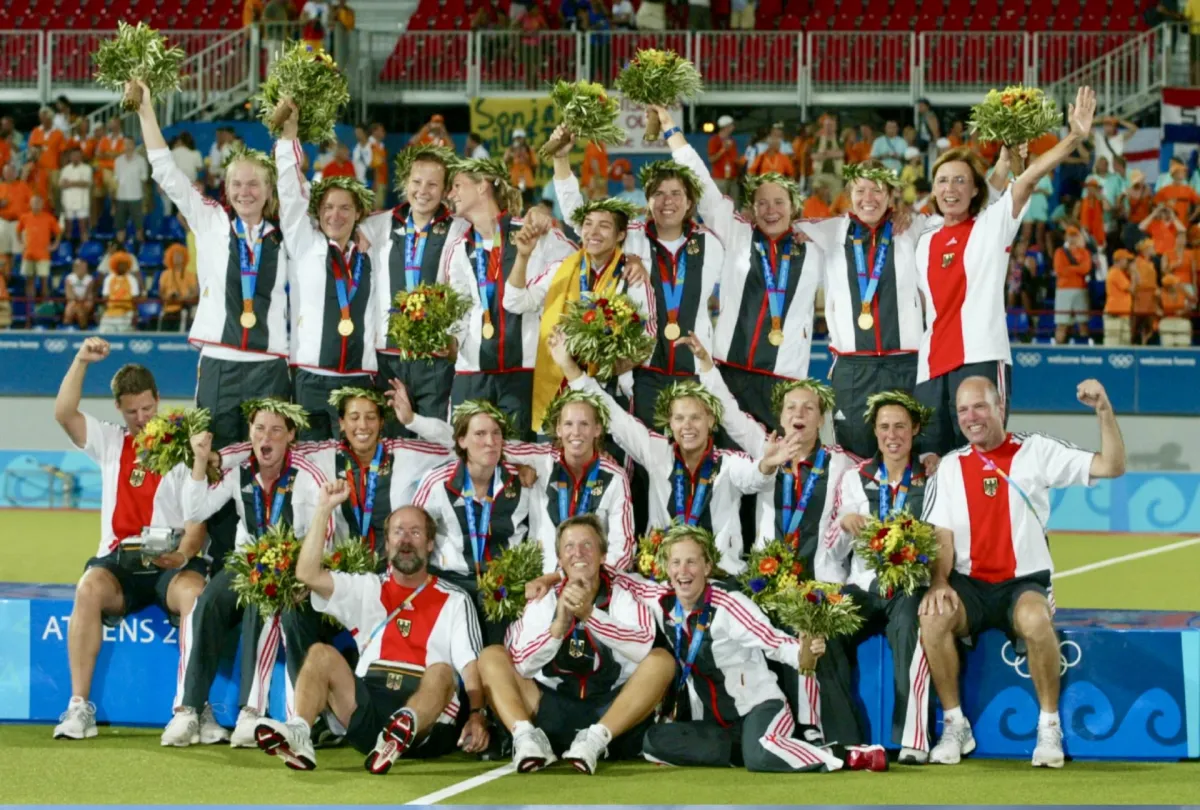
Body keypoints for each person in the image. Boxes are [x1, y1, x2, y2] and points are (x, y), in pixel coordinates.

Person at [919, 376, 1126, 768]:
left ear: (1000, 407)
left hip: (1023, 583)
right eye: (962, 410)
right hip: (969, 585)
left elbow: (1112, 466)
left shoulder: (1036, 450)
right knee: (933, 617)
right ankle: (954, 724)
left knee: (1034, 621)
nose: (971, 417)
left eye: (979, 406)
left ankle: (1049, 727)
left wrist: (1103, 410)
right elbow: (941, 537)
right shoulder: (948, 468)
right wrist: (940, 583)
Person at [914, 86, 1097, 457]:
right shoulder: (923, 235)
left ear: (975, 191)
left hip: (980, 356)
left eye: (961, 180)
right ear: (932, 191)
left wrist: (1073, 137)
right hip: (930, 367)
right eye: (943, 181)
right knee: (932, 467)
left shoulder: (991, 225)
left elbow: (1026, 178)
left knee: (982, 461)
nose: (951, 188)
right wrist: (1002, 157)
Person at [253, 486, 489, 773]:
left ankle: (404, 728)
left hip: (430, 719)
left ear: (429, 544)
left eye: (415, 532)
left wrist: (477, 714)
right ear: (387, 543)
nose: (406, 540)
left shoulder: (455, 599)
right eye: (398, 532)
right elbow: (307, 574)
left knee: (441, 670)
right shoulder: (368, 588)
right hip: (370, 706)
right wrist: (323, 509)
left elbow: (469, 666)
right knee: (319, 654)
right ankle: (300, 732)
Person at [51, 338, 211, 741]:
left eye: (147, 408)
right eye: (132, 411)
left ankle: (192, 706)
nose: (142, 418)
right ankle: (77, 707)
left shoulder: (183, 449)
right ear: (119, 410)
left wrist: (183, 554)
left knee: (194, 595)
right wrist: (80, 359)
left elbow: (197, 521)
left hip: (170, 562)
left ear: (159, 400)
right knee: (88, 588)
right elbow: (64, 413)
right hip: (120, 563)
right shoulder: (110, 441)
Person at [166, 398, 330, 747]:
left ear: (290, 435)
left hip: (294, 569)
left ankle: (250, 711)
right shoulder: (238, 470)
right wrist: (198, 460)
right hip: (247, 562)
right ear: (250, 434)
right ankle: (188, 709)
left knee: (263, 600)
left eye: (275, 430)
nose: (266, 438)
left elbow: (328, 531)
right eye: (259, 429)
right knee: (207, 601)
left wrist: (307, 573)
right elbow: (195, 509)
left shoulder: (309, 475)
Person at [137, 81, 292, 449]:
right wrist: (146, 110)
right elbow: (166, 172)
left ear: (269, 190)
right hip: (219, 361)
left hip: (270, 365)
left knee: (270, 465)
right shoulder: (210, 221)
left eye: (254, 184)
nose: (244, 191)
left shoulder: (290, 235)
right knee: (215, 461)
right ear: (226, 188)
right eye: (236, 183)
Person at [614, 525, 843, 773]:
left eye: (691, 562)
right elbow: (623, 580)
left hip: (759, 708)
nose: (683, 571)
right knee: (654, 740)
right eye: (676, 562)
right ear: (667, 568)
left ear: (707, 566)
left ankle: (834, 754)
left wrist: (803, 652)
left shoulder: (729, 604)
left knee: (761, 758)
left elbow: (772, 640)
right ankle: (748, 750)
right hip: (718, 724)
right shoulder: (661, 599)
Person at [551, 331, 783, 576]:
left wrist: (767, 464)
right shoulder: (657, 453)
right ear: (669, 423)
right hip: (661, 578)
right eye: (680, 418)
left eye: (695, 418)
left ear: (711, 421)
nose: (688, 426)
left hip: (718, 578)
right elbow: (615, 417)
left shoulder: (728, 463)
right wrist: (568, 366)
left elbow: (755, 477)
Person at [659, 108, 824, 429]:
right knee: (729, 465)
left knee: (780, 467)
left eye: (779, 202)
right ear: (751, 207)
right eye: (762, 202)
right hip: (730, 373)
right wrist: (670, 130)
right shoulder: (737, 233)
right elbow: (702, 185)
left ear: (794, 206)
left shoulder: (816, 245)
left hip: (784, 380)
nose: (770, 210)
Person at [476, 515, 675, 774]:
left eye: (587, 545)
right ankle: (528, 740)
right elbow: (522, 664)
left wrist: (590, 615)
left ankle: (594, 741)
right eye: (569, 547)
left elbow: (642, 644)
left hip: (609, 712)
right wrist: (558, 626)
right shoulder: (543, 598)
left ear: (603, 555)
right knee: (492, 656)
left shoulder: (623, 594)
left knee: (662, 660)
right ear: (559, 559)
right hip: (550, 708)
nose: (578, 553)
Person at [554, 139, 725, 429]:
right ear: (647, 200)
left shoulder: (711, 242)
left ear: (689, 201)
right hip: (644, 373)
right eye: (658, 193)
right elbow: (579, 218)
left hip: (696, 367)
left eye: (675, 194)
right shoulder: (632, 236)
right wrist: (560, 161)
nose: (666, 201)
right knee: (646, 460)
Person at [396, 383, 634, 571]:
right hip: (543, 581)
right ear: (558, 430)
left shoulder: (615, 477)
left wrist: (594, 579)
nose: (576, 432)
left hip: (594, 578)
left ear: (598, 429)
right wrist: (413, 421)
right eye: (569, 424)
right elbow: (479, 444)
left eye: (585, 424)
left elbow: (623, 549)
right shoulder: (540, 459)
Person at [817, 391, 935, 764]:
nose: (892, 434)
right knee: (828, 628)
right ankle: (846, 738)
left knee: (909, 629)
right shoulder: (855, 478)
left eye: (900, 426)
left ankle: (913, 740)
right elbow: (831, 551)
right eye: (884, 427)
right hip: (864, 588)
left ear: (915, 429)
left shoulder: (932, 477)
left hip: (908, 588)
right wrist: (845, 526)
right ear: (875, 432)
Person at [443, 156, 574, 440]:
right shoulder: (460, 247)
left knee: (519, 465)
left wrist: (540, 294)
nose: (450, 193)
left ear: (482, 188)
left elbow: (578, 260)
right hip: (472, 373)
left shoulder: (528, 231)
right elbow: (459, 309)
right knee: (471, 462)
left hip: (523, 372)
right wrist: (450, 340)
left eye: (456, 185)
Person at [276, 100, 381, 441]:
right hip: (311, 375)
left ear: (358, 214)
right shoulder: (305, 244)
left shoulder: (372, 251)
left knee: (357, 467)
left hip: (359, 378)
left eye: (345, 208)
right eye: (329, 208)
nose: (336, 215)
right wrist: (288, 136)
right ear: (318, 212)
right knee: (311, 468)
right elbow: (290, 194)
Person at [357, 144, 466, 440]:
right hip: (388, 356)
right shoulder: (378, 225)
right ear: (406, 182)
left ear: (445, 189)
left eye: (433, 184)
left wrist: (455, 338)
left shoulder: (459, 230)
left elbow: (464, 290)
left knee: (434, 441)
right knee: (392, 444)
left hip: (433, 357)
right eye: (417, 182)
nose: (423, 191)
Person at [411, 400, 535, 642]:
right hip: (452, 580)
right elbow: (412, 532)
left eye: (496, 433)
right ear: (461, 440)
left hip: (504, 584)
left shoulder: (523, 481)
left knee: (498, 654)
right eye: (479, 434)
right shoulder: (437, 482)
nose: (490, 442)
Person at [16, 194, 60, 303]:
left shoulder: (49, 218)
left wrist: (54, 245)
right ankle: (30, 307)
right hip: (29, 254)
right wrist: (21, 244)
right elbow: (18, 231)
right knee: (29, 282)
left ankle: (44, 306)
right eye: (34, 203)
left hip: (43, 255)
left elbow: (58, 233)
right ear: (30, 204)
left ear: (42, 204)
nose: (36, 205)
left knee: (44, 282)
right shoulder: (24, 217)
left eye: (38, 203)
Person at [1052, 226, 1092, 344]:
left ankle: (1086, 353)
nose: (1073, 238)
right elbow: (1059, 270)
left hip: (1081, 289)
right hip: (1063, 290)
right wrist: (1077, 269)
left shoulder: (1084, 252)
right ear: (1066, 237)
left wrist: (1069, 269)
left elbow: (1086, 269)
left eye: (1075, 235)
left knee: (1083, 324)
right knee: (1062, 324)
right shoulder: (1059, 252)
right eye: (1070, 235)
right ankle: (1056, 354)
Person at [59, 147, 93, 243]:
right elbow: (61, 184)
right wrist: (76, 183)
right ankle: (68, 250)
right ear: (70, 157)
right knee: (68, 228)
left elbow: (86, 183)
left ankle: (84, 249)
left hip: (82, 202)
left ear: (81, 156)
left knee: (83, 228)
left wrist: (70, 184)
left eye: (78, 155)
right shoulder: (65, 169)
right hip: (68, 202)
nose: (75, 157)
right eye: (73, 155)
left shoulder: (87, 168)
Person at [1102, 249, 1135, 346]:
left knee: (1124, 343)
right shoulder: (1115, 272)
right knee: (1113, 343)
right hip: (1115, 313)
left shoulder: (1121, 273)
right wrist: (1133, 274)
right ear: (1120, 260)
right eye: (1126, 260)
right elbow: (1131, 289)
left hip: (1123, 314)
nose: (1127, 263)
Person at [708, 115, 740, 201]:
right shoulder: (714, 140)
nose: (733, 127)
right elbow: (711, 159)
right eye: (731, 125)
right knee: (719, 205)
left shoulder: (732, 141)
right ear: (726, 127)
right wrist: (723, 150)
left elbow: (734, 158)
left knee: (734, 206)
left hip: (732, 179)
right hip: (720, 179)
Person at [63, 258, 95, 329]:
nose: (84, 269)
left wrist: (81, 302)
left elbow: (88, 294)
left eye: (85, 267)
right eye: (82, 267)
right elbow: (69, 294)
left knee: (81, 313)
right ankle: (66, 331)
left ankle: (83, 331)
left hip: (86, 301)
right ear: (76, 268)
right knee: (68, 312)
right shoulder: (69, 278)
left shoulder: (90, 279)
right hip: (73, 300)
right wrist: (76, 301)